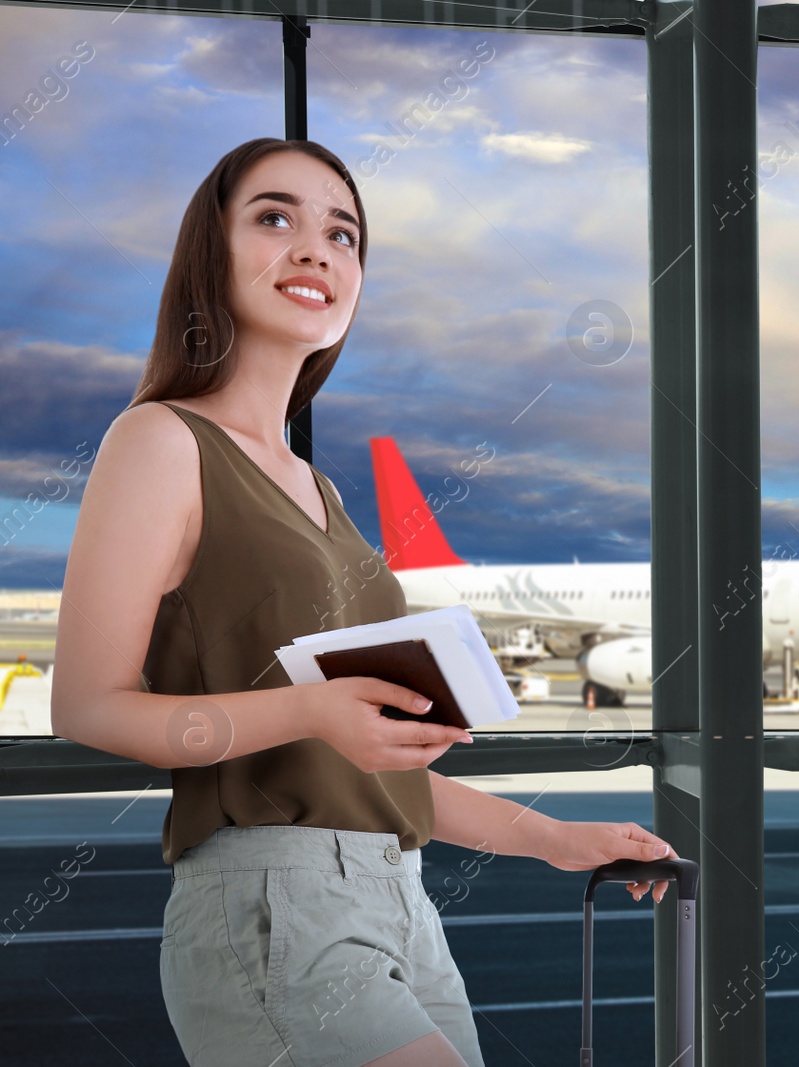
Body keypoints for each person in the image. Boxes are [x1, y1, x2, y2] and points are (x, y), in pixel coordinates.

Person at [51, 137, 678, 1067]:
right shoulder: (158, 440)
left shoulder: (321, 490)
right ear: (207, 256)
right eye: (275, 218)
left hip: (400, 899)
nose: (316, 249)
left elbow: (368, 773)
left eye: (342, 235)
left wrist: (553, 837)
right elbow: (86, 705)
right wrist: (309, 706)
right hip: (271, 906)